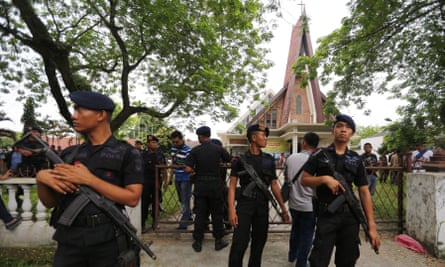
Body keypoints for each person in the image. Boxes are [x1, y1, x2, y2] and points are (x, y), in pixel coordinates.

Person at [35, 90, 144, 266]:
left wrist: (90, 180)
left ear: (101, 115)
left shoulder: (127, 153)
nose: (73, 115)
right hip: (69, 240)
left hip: (107, 240)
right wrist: (41, 179)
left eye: (79, 110)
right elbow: (51, 202)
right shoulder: (68, 154)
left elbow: (132, 198)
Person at [301, 114, 380, 267]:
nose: (343, 130)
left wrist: (371, 225)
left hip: (350, 217)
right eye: (339, 126)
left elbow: (364, 191)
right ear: (333, 131)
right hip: (326, 215)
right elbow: (304, 180)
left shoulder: (356, 159)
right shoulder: (319, 155)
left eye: (348, 127)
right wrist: (324, 179)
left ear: (352, 133)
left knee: (347, 261)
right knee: (318, 261)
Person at [228, 124, 290, 267]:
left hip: (262, 206)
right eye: (263, 135)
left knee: (259, 243)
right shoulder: (240, 160)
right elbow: (232, 186)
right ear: (254, 138)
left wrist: (283, 209)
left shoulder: (269, 159)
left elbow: (274, 184)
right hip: (244, 205)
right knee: (239, 243)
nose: (266, 138)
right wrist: (231, 210)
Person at [184, 126, 232, 252]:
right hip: (216, 186)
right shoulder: (218, 149)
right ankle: (218, 241)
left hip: (200, 185)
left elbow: (188, 169)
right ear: (209, 135)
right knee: (217, 214)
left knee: (200, 214)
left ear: (200, 136)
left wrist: (195, 170)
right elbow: (230, 160)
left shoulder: (195, 151)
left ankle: (198, 242)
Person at [285, 132, 319, 267]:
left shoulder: (291, 158)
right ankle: (301, 263)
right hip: (309, 205)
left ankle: (292, 255)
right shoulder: (317, 159)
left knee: (295, 229)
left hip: (293, 203)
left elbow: (287, 179)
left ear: (304, 142)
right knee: (307, 235)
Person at [141, 134, 167, 233]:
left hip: (157, 183)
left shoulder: (160, 155)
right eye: (152, 142)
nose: (155, 144)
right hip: (145, 182)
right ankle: (142, 223)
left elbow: (164, 169)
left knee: (156, 203)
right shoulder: (143, 154)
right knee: (144, 203)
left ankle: (155, 222)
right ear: (148, 144)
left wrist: (165, 181)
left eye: (156, 142)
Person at [170, 130, 193, 230]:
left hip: (186, 178)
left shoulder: (188, 150)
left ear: (181, 140)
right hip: (177, 177)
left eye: (177, 142)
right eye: (173, 142)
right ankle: (189, 216)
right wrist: (171, 177)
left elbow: (190, 165)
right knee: (181, 199)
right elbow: (173, 164)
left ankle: (183, 223)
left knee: (185, 199)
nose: (175, 144)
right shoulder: (173, 149)